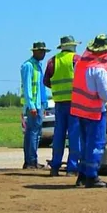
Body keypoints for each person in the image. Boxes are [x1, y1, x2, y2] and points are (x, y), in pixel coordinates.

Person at [71, 34, 107, 188]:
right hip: (95, 111)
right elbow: (103, 93)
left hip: (80, 110)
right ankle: (92, 176)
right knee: (96, 144)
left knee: (85, 143)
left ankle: (82, 174)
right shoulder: (99, 69)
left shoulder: (80, 65)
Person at [43, 36, 82, 177]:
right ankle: (72, 168)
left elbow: (46, 81)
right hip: (75, 102)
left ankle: (55, 167)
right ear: (72, 46)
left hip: (59, 103)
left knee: (58, 135)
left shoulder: (53, 60)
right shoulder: (76, 59)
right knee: (74, 135)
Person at [20, 42, 50, 169]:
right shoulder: (29, 66)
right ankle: (31, 161)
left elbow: (41, 87)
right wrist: (31, 105)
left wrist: (44, 104)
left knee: (34, 133)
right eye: (41, 51)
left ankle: (31, 160)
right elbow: (27, 88)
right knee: (33, 133)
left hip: (39, 104)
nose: (43, 54)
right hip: (33, 105)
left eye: (44, 51)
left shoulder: (38, 66)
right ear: (34, 52)